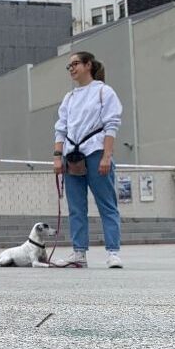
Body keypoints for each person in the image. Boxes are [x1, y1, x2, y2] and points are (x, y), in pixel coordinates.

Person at [51, 51, 124, 269]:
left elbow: (111, 124)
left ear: (88, 65)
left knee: (107, 204)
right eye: (69, 66)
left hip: (96, 152)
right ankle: (79, 252)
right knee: (76, 206)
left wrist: (107, 155)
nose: (71, 68)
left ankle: (113, 252)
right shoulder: (69, 97)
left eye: (75, 64)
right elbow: (60, 128)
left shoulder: (104, 92)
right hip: (72, 155)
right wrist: (57, 156)